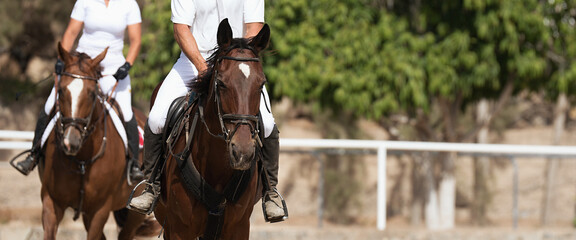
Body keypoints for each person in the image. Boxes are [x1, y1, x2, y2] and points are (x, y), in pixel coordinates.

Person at [128, 0, 287, 222]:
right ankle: (151, 185)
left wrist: (237, 60)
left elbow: (255, 26)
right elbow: (181, 28)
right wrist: (205, 69)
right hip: (193, 60)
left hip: (237, 60)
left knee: (268, 123)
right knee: (156, 118)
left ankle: (271, 191)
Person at [13, 0, 144, 182]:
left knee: (127, 113)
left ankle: (134, 164)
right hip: (81, 66)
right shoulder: (85, 1)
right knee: (51, 103)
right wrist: (62, 60)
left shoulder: (129, 4)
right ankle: (33, 155)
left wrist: (127, 65)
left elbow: (136, 41)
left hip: (112, 68)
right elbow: (71, 32)